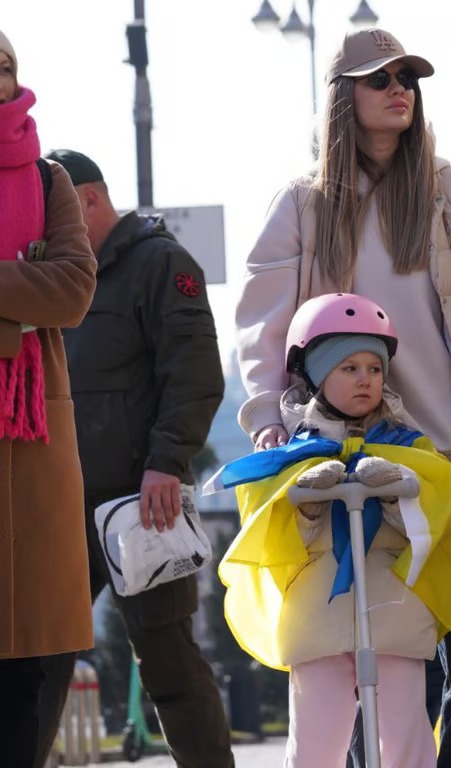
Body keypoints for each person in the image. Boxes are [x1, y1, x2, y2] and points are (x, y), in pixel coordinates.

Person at [235, 28, 451, 767]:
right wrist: (263, 422)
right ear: (343, 98)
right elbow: (261, 325)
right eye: (379, 79)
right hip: (356, 470)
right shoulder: (302, 206)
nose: (399, 90)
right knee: (370, 658)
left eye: (407, 78)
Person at [31, 148, 231, 767]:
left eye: (52, 214)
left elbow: (194, 376)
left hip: (142, 502)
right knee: (34, 665)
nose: (41, 231)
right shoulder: (50, 277)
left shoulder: (162, 264)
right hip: (56, 504)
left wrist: (167, 463)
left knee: (167, 654)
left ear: (85, 199)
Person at [215, 292, 451, 767]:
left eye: (374, 369)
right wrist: (305, 505)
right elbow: (270, 538)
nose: (365, 380)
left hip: (392, 609)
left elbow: (437, 520)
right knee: (315, 740)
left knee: (406, 737)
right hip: (318, 616)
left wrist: (397, 493)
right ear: (314, 373)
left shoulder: (410, 446)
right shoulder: (290, 456)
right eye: (348, 367)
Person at [0, 30, 96, 768]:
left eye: (5, 65)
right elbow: (43, 288)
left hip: (32, 429)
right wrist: (17, 291)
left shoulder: (47, 178)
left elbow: (71, 289)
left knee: (32, 649)